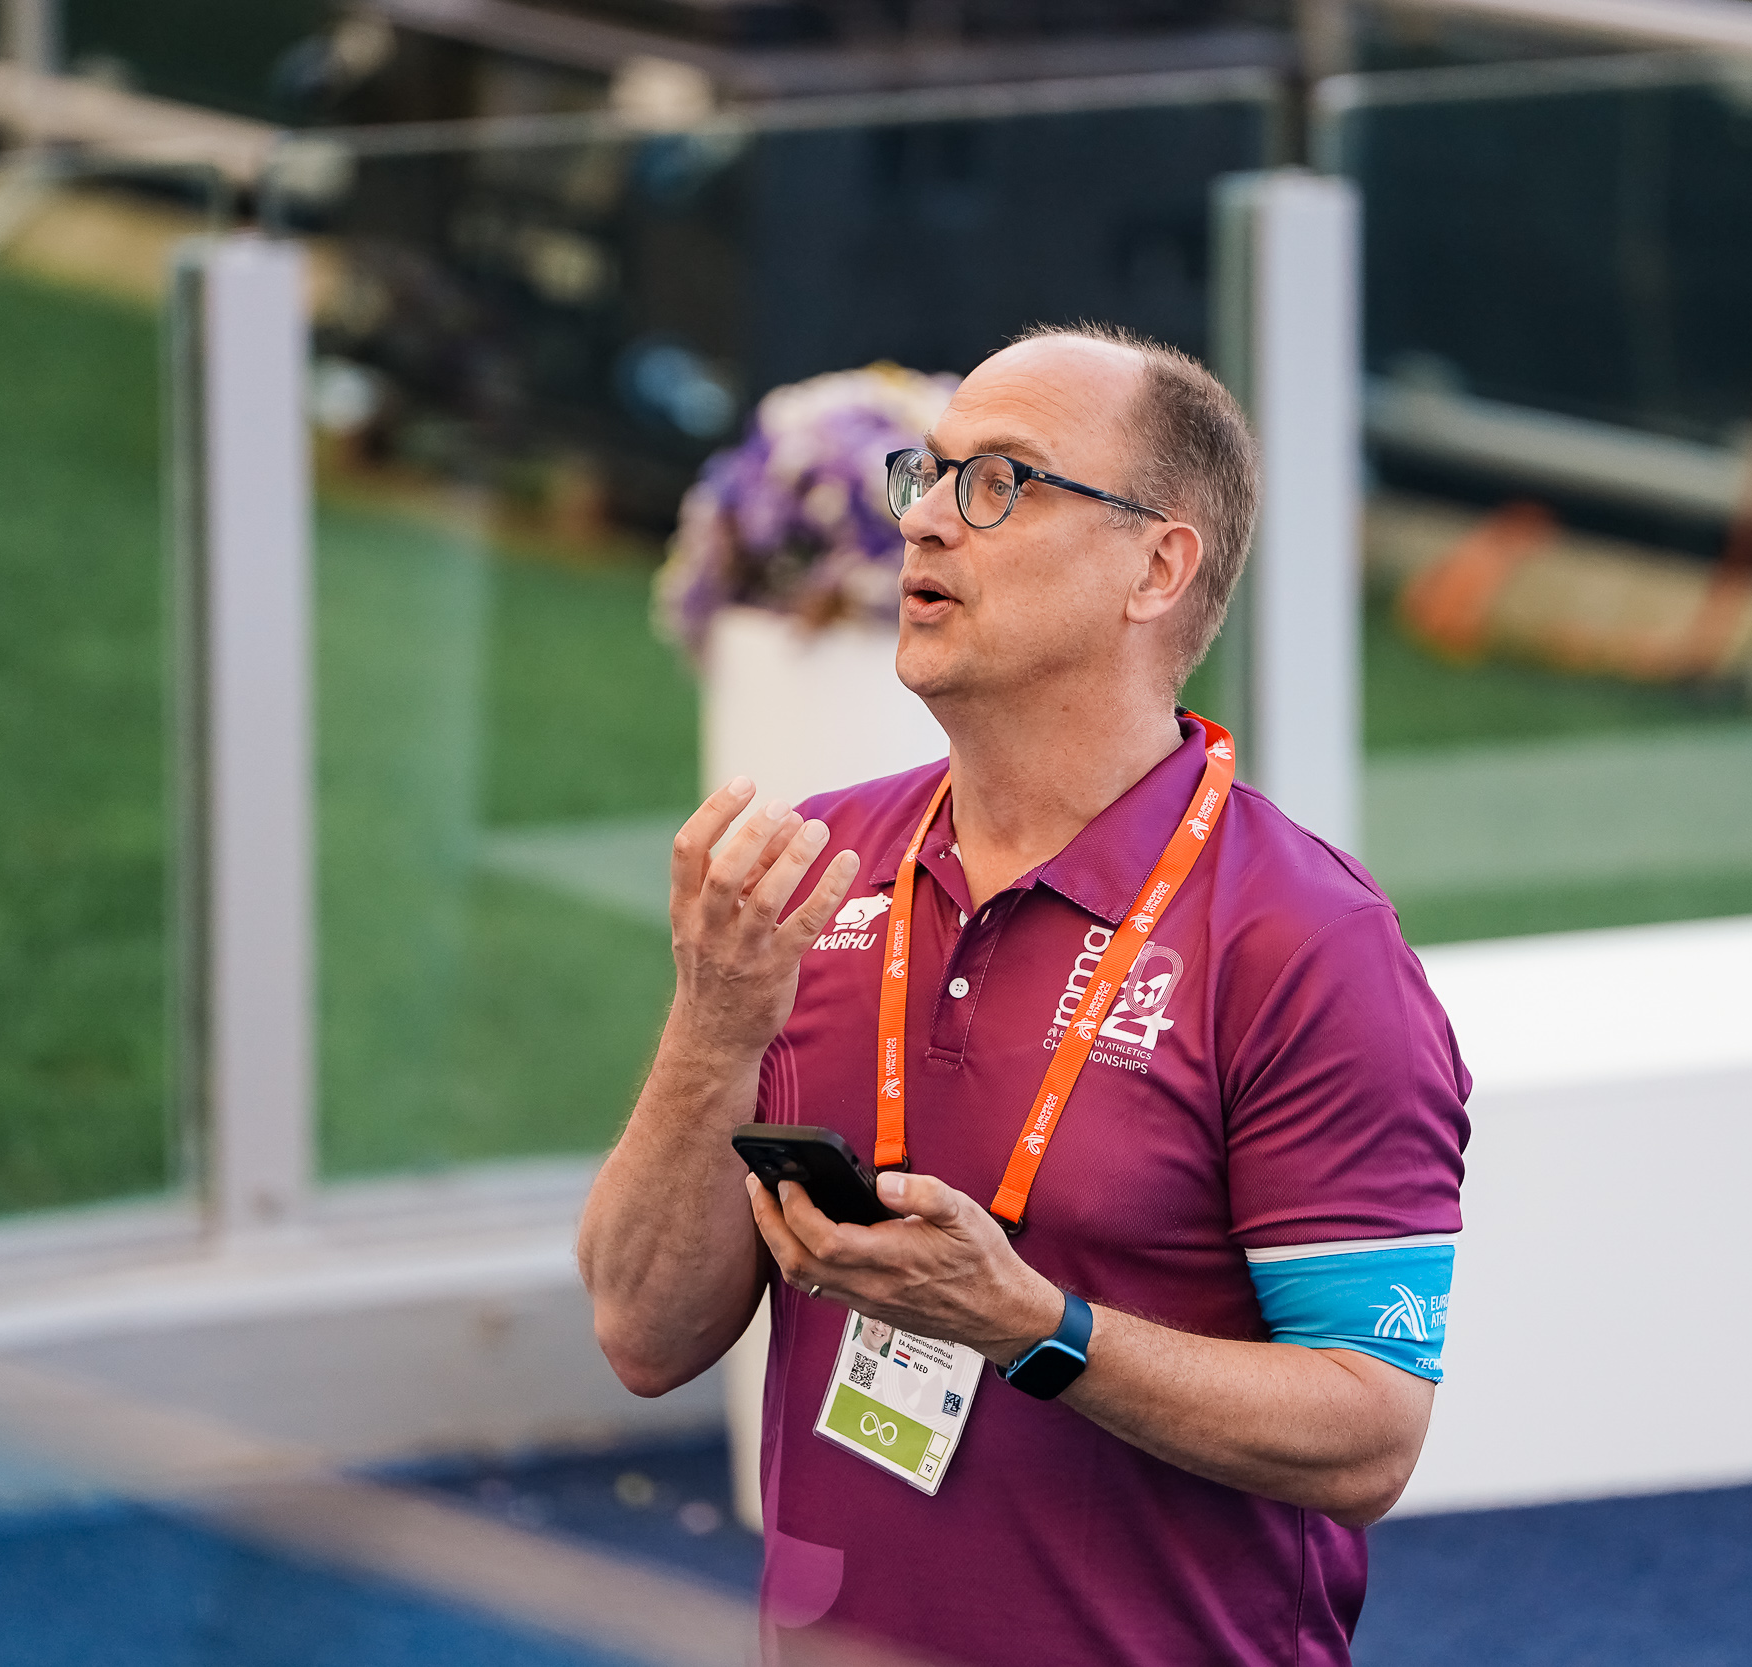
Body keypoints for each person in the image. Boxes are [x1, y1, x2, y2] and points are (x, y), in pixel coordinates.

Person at [577, 324, 1470, 1666]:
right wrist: (715, 1020)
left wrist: (1031, 1328)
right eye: (927, 475)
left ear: (1156, 567)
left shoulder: (1306, 943)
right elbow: (643, 1334)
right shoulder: (820, 869)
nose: (925, 521)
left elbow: (1367, 1434)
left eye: (999, 482)